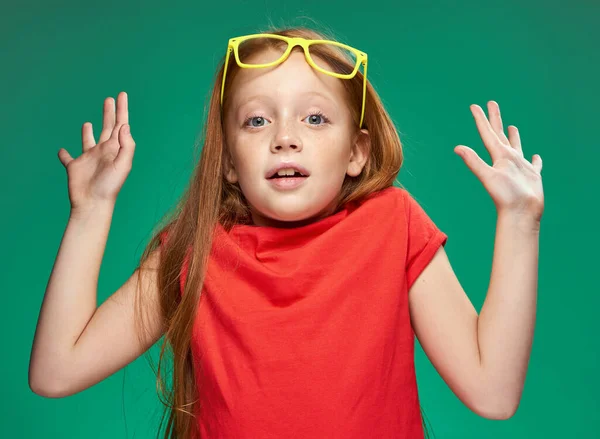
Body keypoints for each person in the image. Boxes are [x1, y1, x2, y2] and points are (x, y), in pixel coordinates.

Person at [29, 25, 545, 439]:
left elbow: (492, 393)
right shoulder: (194, 250)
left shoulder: (395, 224)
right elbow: (56, 371)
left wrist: (520, 222)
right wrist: (91, 209)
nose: (285, 139)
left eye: (315, 118)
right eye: (257, 122)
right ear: (229, 161)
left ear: (356, 153)